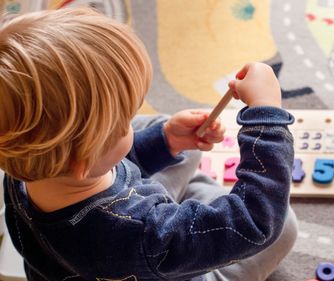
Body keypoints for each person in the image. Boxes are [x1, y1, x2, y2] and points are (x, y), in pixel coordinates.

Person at [0, 7, 297, 281]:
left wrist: (165, 141)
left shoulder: (22, 161)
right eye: (123, 122)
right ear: (83, 160)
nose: (131, 122)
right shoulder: (142, 232)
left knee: (169, 139)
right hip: (144, 253)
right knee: (284, 226)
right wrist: (265, 115)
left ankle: (181, 192)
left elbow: (103, 163)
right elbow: (256, 222)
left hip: (95, 255)